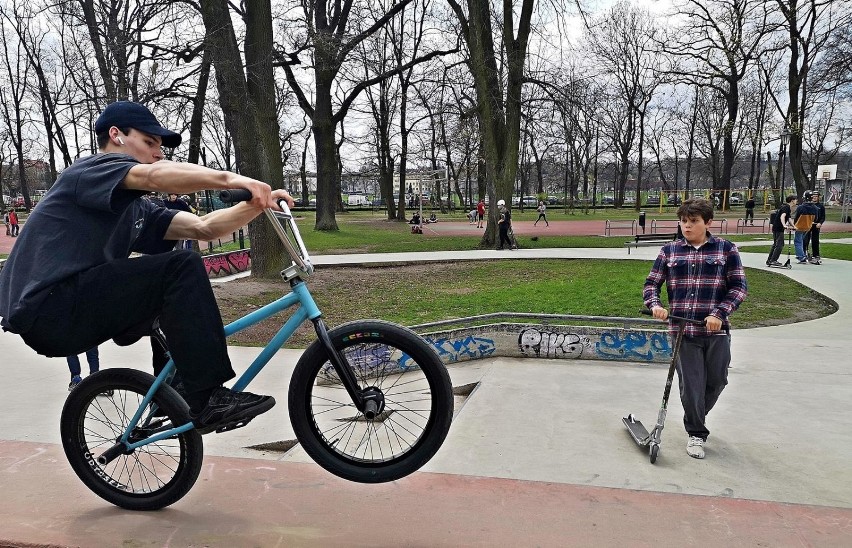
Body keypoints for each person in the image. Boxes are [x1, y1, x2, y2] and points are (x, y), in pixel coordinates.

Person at [0, 100, 294, 434]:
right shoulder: (90, 170)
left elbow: (204, 228)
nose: (158, 153)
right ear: (116, 135)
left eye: (160, 147)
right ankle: (208, 397)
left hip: (78, 310)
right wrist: (230, 178)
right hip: (48, 307)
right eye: (150, 142)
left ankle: (171, 393)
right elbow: (156, 176)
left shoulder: (137, 209)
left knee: (173, 291)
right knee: (180, 267)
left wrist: (258, 204)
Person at [643, 198, 747, 459]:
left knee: (717, 382)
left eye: (693, 222)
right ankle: (696, 433)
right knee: (691, 385)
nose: (687, 227)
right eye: (683, 221)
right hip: (683, 332)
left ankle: (696, 414)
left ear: (708, 223)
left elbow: (738, 287)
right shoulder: (670, 251)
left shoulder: (726, 250)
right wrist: (656, 305)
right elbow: (651, 284)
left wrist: (719, 313)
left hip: (715, 331)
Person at [766, 195, 796, 266]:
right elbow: (782, 216)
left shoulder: (786, 207)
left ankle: (770, 260)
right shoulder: (786, 207)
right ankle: (773, 260)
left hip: (776, 227)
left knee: (775, 244)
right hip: (779, 228)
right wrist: (784, 225)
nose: (796, 201)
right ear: (792, 200)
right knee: (780, 244)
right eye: (795, 200)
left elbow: (788, 218)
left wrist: (794, 226)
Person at [792, 192, 818, 264]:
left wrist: (794, 225)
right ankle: (802, 254)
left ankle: (801, 257)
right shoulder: (815, 208)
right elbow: (816, 219)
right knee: (802, 240)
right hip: (808, 226)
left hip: (799, 226)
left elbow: (796, 218)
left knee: (798, 241)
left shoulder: (801, 207)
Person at [802, 191, 825, 264]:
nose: (814, 198)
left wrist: (820, 223)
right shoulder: (808, 205)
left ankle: (816, 254)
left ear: (818, 197)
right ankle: (804, 253)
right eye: (813, 196)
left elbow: (823, 216)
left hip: (816, 225)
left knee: (815, 240)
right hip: (808, 224)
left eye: (816, 196)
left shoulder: (820, 206)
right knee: (806, 239)